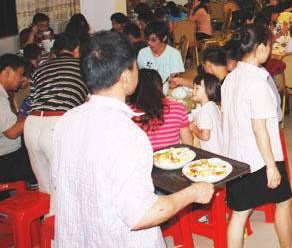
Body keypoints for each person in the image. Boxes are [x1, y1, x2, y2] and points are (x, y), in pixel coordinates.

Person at [51, 31, 214, 245]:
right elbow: (142, 214)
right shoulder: (126, 133)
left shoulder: (67, 121)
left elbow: (60, 181)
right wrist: (193, 192)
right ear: (125, 75)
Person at [221, 24, 292, 248]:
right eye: (269, 46)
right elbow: (259, 128)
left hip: (235, 158)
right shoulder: (257, 83)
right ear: (260, 48)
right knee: (284, 202)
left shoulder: (231, 77)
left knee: (240, 213)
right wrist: (271, 166)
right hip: (259, 158)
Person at [24, 33, 88, 199]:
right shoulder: (83, 67)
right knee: (64, 188)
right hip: (57, 124)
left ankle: (47, 215)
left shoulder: (39, 69)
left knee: (45, 189)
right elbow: (89, 102)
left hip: (31, 125)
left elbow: (32, 99)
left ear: (55, 51)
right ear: (76, 49)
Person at [130, 69, 192, 150]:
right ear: (160, 86)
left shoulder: (129, 113)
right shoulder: (178, 109)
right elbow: (188, 144)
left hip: (143, 158)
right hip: (172, 157)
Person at [0, 54, 35, 184]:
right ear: (8, 71)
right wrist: (37, 115)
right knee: (41, 166)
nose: (21, 80)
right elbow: (12, 132)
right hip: (6, 160)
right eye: (20, 74)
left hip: (7, 156)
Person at [189, 73, 223, 154]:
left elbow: (205, 136)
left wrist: (194, 128)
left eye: (197, 88)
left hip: (211, 153)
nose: (193, 91)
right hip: (219, 150)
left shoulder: (205, 112)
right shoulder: (213, 106)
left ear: (209, 91)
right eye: (193, 88)